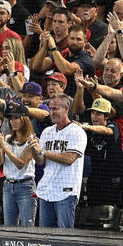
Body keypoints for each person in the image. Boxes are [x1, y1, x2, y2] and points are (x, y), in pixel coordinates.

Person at [33, 93, 87, 228]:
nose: (51, 112)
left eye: (55, 109)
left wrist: (44, 151)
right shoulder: (47, 131)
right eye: (50, 109)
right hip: (47, 190)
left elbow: (69, 159)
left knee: (65, 235)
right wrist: (34, 149)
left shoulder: (76, 131)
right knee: (45, 236)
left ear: (66, 109)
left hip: (66, 191)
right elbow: (40, 161)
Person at [0, 104, 36, 226]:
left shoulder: (31, 140)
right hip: (7, 186)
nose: (13, 121)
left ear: (24, 119)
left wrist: (4, 147)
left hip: (25, 186)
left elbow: (20, 164)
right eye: (11, 118)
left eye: (16, 118)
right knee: (8, 226)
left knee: (26, 227)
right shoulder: (7, 138)